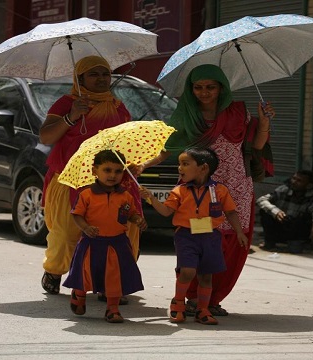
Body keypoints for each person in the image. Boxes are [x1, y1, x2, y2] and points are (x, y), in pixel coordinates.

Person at [140, 64, 275, 316]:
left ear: (221, 88)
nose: (204, 92)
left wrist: (264, 123)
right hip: (197, 192)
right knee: (199, 241)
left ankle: (212, 300)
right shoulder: (186, 115)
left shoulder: (239, 112)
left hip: (236, 188)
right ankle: (192, 298)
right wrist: (144, 165)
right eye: (198, 87)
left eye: (210, 87)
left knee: (232, 244)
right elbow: (169, 148)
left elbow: (257, 145)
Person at [38, 55, 142, 301]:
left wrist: (132, 163)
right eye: (93, 74)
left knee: (123, 231)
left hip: (112, 181)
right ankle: (54, 271)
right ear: (80, 78)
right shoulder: (67, 103)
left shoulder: (118, 107)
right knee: (66, 233)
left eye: (105, 73)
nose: (101, 79)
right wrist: (71, 116)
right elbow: (46, 137)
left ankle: (113, 281)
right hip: (70, 178)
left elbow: (124, 142)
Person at [139, 148, 247, 325]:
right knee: (188, 271)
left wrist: (239, 232)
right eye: (180, 164)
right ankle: (178, 303)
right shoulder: (179, 191)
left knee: (206, 276)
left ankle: (202, 310)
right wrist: (150, 198)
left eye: (185, 164)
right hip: (186, 236)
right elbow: (166, 211)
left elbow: (231, 212)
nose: (180, 168)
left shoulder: (219, 190)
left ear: (203, 168)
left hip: (211, 237)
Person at [64, 150, 147, 323]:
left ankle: (112, 309)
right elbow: (77, 214)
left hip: (117, 243)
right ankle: (79, 294)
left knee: (114, 276)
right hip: (91, 242)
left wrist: (138, 219)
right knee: (86, 274)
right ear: (95, 171)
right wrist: (86, 228)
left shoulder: (125, 195)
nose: (112, 175)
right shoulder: (86, 194)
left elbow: (130, 213)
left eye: (118, 171)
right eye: (107, 170)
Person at [256, 170, 313, 253]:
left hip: (295, 229)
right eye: (294, 178)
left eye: (299, 181)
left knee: (310, 218)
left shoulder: (312, 195)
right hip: (280, 225)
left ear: (308, 185)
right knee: (265, 211)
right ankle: (270, 244)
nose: (294, 182)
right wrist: (275, 211)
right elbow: (261, 200)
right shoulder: (283, 189)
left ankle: (302, 243)